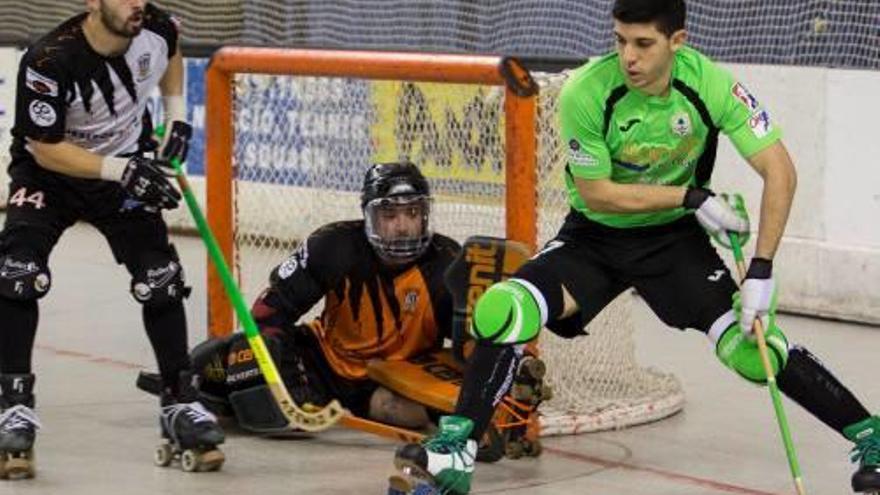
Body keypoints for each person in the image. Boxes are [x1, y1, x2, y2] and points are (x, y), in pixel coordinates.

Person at [391, 1, 879, 494]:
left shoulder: (711, 85)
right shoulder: (586, 90)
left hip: (673, 243)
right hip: (595, 237)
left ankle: (871, 436)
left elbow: (780, 170)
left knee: (756, 350)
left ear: (678, 42)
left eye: (644, 43)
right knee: (504, 308)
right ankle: (457, 449)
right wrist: (691, 197)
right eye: (620, 40)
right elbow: (600, 192)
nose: (629, 57)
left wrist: (762, 269)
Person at [0, 0, 223, 477]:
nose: (136, 4)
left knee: (161, 278)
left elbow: (172, 49)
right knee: (19, 273)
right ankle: (13, 406)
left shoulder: (156, 26)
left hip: (124, 172)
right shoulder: (48, 60)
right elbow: (45, 147)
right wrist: (123, 170)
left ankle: (179, 402)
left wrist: (177, 113)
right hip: (51, 176)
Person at [152, 161, 462, 432]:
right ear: (370, 216)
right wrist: (273, 364)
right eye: (390, 215)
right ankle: (187, 382)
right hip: (321, 361)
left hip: (390, 378)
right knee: (240, 356)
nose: (403, 226)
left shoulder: (449, 261)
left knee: (409, 416)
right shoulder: (334, 247)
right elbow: (268, 312)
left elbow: (468, 342)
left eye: (412, 213)